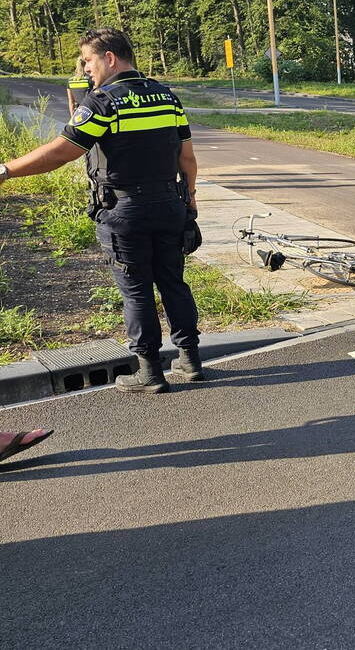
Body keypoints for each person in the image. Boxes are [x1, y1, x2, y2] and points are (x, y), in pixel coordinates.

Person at [0, 27, 203, 393]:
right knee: (173, 282)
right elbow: (186, 159)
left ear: (109, 58)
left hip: (125, 211)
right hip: (170, 206)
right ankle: (190, 360)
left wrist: (6, 170)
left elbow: (62, 152)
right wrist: (189, 202)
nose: (85, 70)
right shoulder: (167, 97)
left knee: (136, 290)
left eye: (88, 61)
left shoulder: (103, 102)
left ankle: (149, 373)